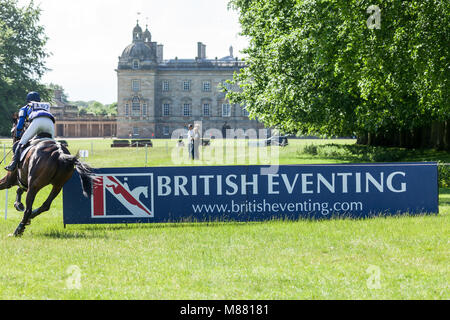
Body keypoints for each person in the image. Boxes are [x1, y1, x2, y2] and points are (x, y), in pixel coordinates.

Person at [5, 91, 55, 172]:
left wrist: (18, 136)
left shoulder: (25, 108)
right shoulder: (45, 106)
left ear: (28, 100)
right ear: (39, 100)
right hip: (50, 122)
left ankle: (13, 164)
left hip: (37, 122)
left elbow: (20, 124)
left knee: (21, 143)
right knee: (53, 145)